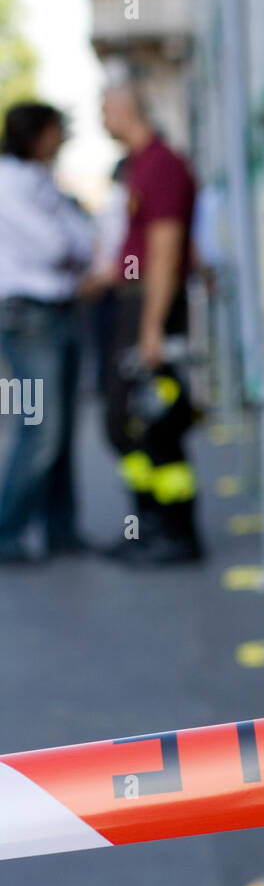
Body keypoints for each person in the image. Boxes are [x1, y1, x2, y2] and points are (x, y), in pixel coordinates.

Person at [95, 83, 202, 564]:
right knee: (127, 425)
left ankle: (176, 535)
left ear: (124, 109)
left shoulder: (159, 164)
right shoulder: (145, 165)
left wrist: (152, 327)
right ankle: (149, 525)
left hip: (147, 306)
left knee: (151, 423)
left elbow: (163, 250)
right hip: (137, 303)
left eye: (104, 108)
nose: (101, 117)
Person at [0, 102, 92, 562]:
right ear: (35, 134)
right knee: (40, 426)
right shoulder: (8, 182)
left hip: (57, 311)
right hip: (27, 318)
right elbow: (57, 244)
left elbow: (83, 238)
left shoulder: (40, 179)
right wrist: (74, 246)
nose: (63, 139)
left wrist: (76, 245)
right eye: (57, 130)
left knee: (62, 426)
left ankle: (61, 530)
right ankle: (6, 532)